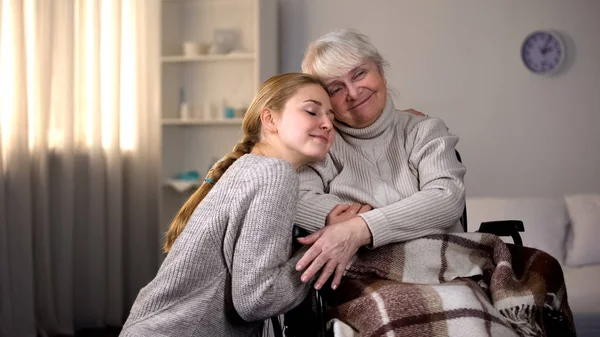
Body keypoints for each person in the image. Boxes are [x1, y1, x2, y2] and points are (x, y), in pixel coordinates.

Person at [120, 73, 335, 337]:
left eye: (332, 116)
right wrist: (323, 246)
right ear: (269, 119)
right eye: (312, 111)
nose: (327, 123)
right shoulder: (276, 175)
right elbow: (258, 300)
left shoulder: (248, 168)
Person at [293, 29, 467, 291]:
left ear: (381, 71)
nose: (352, 92)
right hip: (363, 282)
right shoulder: (320, 145)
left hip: (445, 273)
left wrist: (359, 229)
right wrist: (407, 214)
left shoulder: (425, 130)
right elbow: (297, 200)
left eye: (359, 74)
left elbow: (447, 199)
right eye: (336, 88)